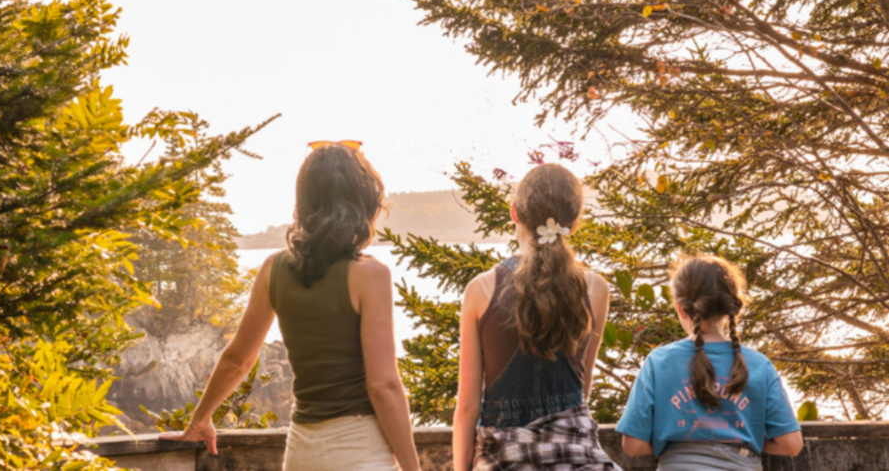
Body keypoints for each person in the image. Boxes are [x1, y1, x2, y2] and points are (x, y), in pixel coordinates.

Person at [161, 141, 421, 471]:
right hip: (358, 448)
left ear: (305, 201)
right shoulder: (370, 275)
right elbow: (382, 385)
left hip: (301, 449)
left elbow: (238, 359)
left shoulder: (274, 267)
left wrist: (200, 419)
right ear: (361, 202)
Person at [452, 163, 621, 471]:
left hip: (504, 460)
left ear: (515, 213)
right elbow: (581, 388)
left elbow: (467, 406)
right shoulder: (595, 288)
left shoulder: (482, 289)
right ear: (575, 221)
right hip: (579, 458)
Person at [617, 255, 803, 470]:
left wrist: (672, 441)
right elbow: (791, 445)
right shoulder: (759, 365)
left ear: (681, 308)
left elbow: (633, 445)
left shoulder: (659, 361)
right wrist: (745, 438)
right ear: (734, 307)